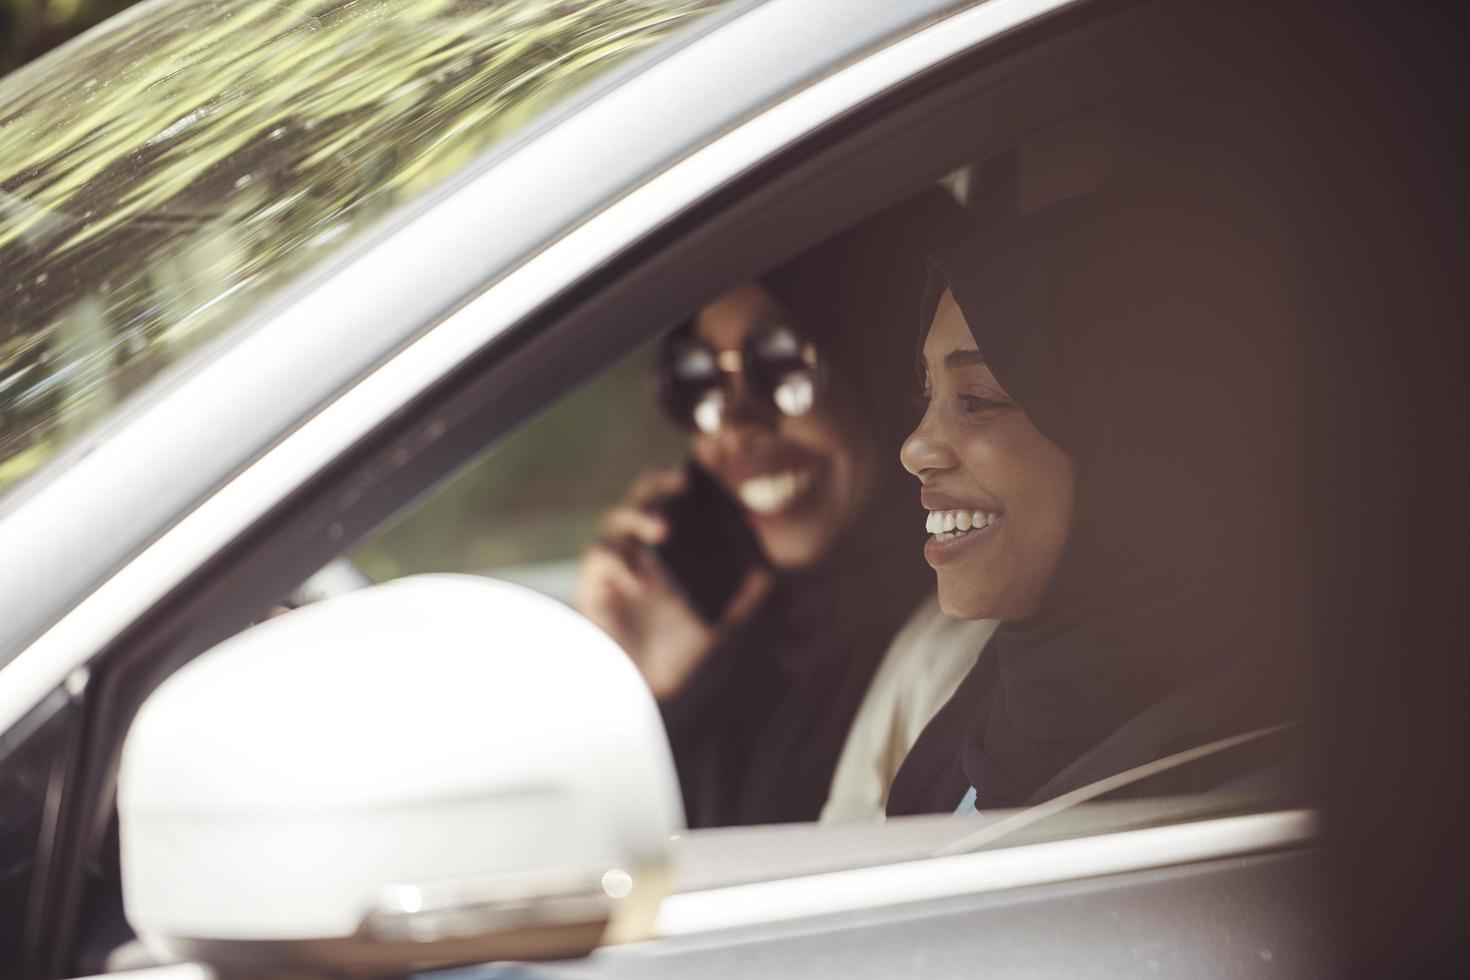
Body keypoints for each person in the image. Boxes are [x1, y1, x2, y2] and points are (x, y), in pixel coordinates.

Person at [887, 176, 1300, 817]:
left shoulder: (1232, 783)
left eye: (978, 400)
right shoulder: (999, 714)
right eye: (927, 397)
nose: (916, 448)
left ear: (1140, 447)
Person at [575, 190, 987, 827]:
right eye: (698, 378)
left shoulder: (961, 666)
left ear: (897, 374)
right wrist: (648, 690)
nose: (735, 424)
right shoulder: (760, 637)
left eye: (782, 365)